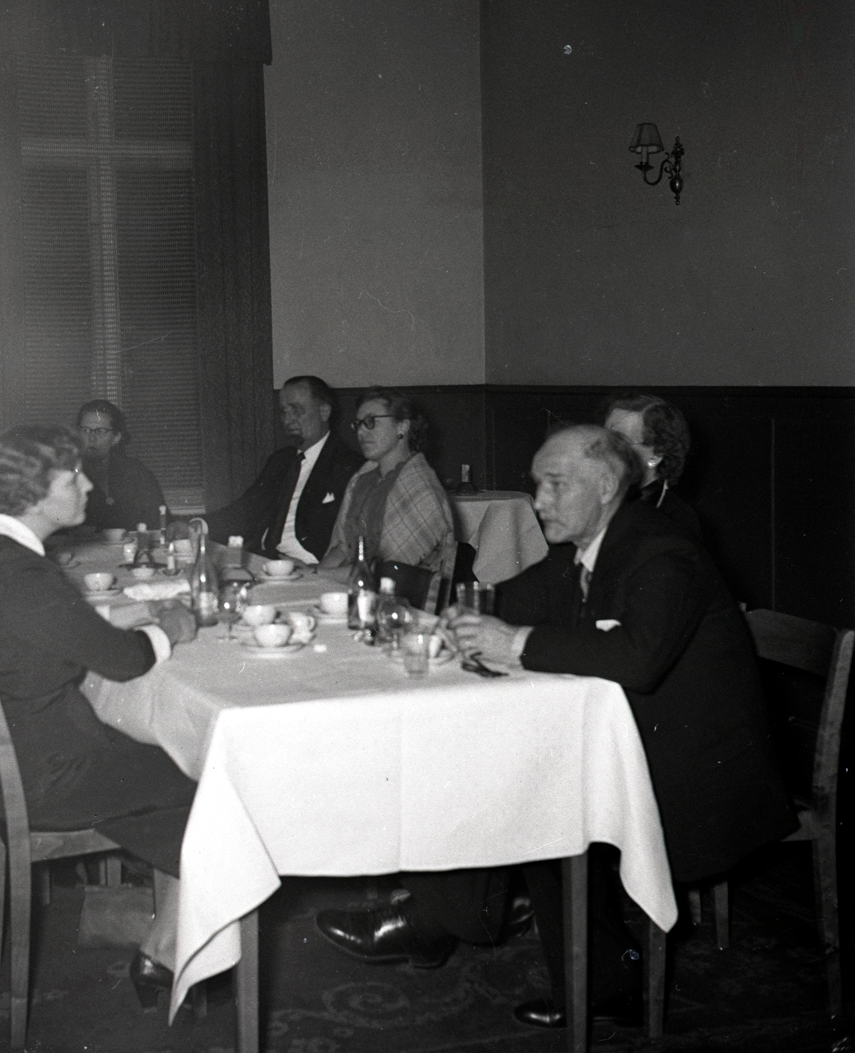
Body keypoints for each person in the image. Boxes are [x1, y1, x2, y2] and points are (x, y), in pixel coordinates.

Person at [316, 426, 795, 1028]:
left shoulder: (662, 550)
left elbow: (637, 659)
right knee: (508, 760)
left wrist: (515, 642)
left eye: (555, 484)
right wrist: (459, 619)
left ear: (606, 486)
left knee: (533, 788)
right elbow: (508, 600)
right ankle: (472, 922)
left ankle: (455, 920)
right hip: (631, 739)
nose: (539, 500)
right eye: (537, 484)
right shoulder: (588, 549)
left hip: (697, 774)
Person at [0, 424, 199, 1007]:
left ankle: (149, 922)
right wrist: (170, 628)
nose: (88, 486)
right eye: (74, 478)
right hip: (52, 774)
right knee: (208, 777)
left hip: (21, 757)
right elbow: (124, 662)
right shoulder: (21, 572)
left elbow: (57, 632)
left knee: (167, 755)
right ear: (35, 493)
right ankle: (166, 948)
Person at [319, 387, 455, 609]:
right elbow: (342, 548)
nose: (361, 432)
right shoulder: (363, 479)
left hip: (402, 606)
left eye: (371, 422)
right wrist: (312, 576)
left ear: (402, 426)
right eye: (358, 424)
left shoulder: (422, 489)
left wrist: (319, 575)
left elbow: (387, 570)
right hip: (357, 590)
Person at [203, 376, 362, 563]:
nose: (287, 419)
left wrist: (317, 570)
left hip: (308, 566)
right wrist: (200, 525)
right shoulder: (280, 460)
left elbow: (347, 541)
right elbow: (246, 510)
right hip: (262, 559)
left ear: (324, 412)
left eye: (296, 410)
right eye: (284, 411)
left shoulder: (349, 465)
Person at [601, 392, 699, 536]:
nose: (604, 450)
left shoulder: (673, 519)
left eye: (620, 441)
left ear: (656, 454)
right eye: (603, 438)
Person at [77, 399, 169, 532]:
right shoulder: (66, 474)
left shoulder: (135, 472)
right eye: (86, 430)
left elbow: (161, 518)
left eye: (100, 431)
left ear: (116, 438)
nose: (91, 438)